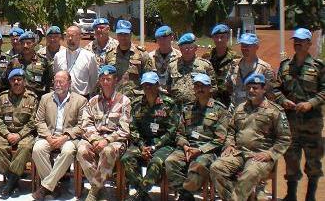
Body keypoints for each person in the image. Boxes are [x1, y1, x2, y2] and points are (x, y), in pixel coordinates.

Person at [210, 73, 291, 201]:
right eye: (249, 88)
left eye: (255, 88)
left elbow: (284, 139)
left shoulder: (275, 111)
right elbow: (231, 130)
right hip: (239, 153)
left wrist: (270, 154)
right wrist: (229, 144)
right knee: (216, 167)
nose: (251, 90)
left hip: (260, 156)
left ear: (264, 89)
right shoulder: (240, 108)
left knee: (250, 173)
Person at [274, 28, 325, 201]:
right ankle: (291, 195)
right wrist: (283, 100)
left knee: (313, 161)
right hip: (291, 123)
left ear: (309, 43)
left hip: (312, 123)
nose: (297, 43)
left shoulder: (318, 67)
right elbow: (276, 89)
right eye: (295, 40)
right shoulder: (285, 66)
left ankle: (310, 195)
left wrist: (311, 103)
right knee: (291, 159)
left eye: (302, 40)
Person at [165, 73, 229, 201]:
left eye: (203, 86)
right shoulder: (187, 108)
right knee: (170, 161)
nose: (200, 89)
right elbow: (180, 133)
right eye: (197, 86)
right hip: (188, 148)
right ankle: (186, 195)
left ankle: (185, 194)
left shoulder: (219, 110)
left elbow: (221, 139)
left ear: (210, 88)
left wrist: (200, 150)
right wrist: (185, 146)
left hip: (207, 151)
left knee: (198, 165)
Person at [122, 72, 179, 201]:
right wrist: (142, 146)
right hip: (143, 143)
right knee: (127, 158)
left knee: (156, 162)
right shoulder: (137, 104)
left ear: (157, 85)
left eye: (151, 85)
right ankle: (143, 195)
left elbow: (172, 131)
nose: (147, 88)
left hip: (163, 145)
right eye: (145, 85)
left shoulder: (169, 104)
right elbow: (134, 128)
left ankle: (139, 195)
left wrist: (154, 147)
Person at [77, 65, 131, 201]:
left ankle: (94, 192)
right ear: (99, 81)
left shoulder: (124, 101)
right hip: (95, 138)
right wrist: (95, 140)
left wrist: (106, 141)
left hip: (115, 141)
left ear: (116, 80)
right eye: (102, 79)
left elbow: (124, 130)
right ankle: (101, 191)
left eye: (108, 79)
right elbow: (86, 124)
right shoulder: (93, 101)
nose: (105, 82)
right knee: (82, 149)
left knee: (107, 151)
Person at [31, 70, 88, 200]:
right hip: (49, 136)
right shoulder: (46, 98)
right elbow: (39, 121)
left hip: (68, 138)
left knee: (68, 151)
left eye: (61, 82)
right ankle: (54, 186)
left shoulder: (80, 100)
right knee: (37, 149)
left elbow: (82, 125)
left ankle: (45, 187)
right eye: (55, 81)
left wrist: (65, 137)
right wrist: (48, 137)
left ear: (69, 83)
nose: (57, 84)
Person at [0, 68, 38, 199]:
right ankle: (14, 182)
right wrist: (7, 134)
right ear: (10, 82)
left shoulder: (32, 98)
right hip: (6, 133)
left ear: (24, 81)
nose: (16, 82)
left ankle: (9, 184)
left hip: (25, 134)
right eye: (13, 80)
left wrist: (19, 135)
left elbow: (34, 120)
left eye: (19, 79)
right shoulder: (3, 97)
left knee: (25, 147)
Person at [103, 20, 154, 99]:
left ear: (131, 34)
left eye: (126, 34)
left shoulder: (142, 54)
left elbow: (149, 78)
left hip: (135, 99)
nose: (123, 37)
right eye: (120, 34)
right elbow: (105, 77)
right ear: (117, 35)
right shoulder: (109, 54)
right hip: (115, 99)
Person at [225, 32, 276, 108]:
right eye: (243, 45)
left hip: (255, 111)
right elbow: (228, 85)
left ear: (256, 47)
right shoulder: (234, 65)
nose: (244, 48)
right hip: (235, 109)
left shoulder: (265, 68)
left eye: (248, 46)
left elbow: (270, 94)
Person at [167, 33, 216, 107]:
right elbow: (168, 87)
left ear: (196, 48)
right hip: (177, 108)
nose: (187, 50)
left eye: (190, 47)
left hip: (197, 108)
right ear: (180, 48)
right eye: (184, 47)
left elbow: (213, 88)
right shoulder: (172, 65)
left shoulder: (205, 65)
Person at [53, 25, 98, 98]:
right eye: (68, 36)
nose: (70, 39)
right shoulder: (58, 56)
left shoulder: (89, 57)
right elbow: (56, 76)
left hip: (82, 98)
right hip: (62, 97)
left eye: (73, 36)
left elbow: (93, 80)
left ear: (80, 37)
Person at [6, 31, 52, 98]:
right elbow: (7, 82)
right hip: (17, 99)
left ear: (34, 44)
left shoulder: (44, 61)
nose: (25, 46)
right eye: (23, 43)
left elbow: (49, 83)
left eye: (28, 43)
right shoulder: (13, 61)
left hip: (37, 99)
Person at [207, 24, 238, 106]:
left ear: (227, 38)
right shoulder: (207, 57)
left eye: (222, 37)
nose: (219, 40)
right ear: (213, 38)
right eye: (216, 37)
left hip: (229, 100)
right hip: (211, 99)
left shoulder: (236, 58)